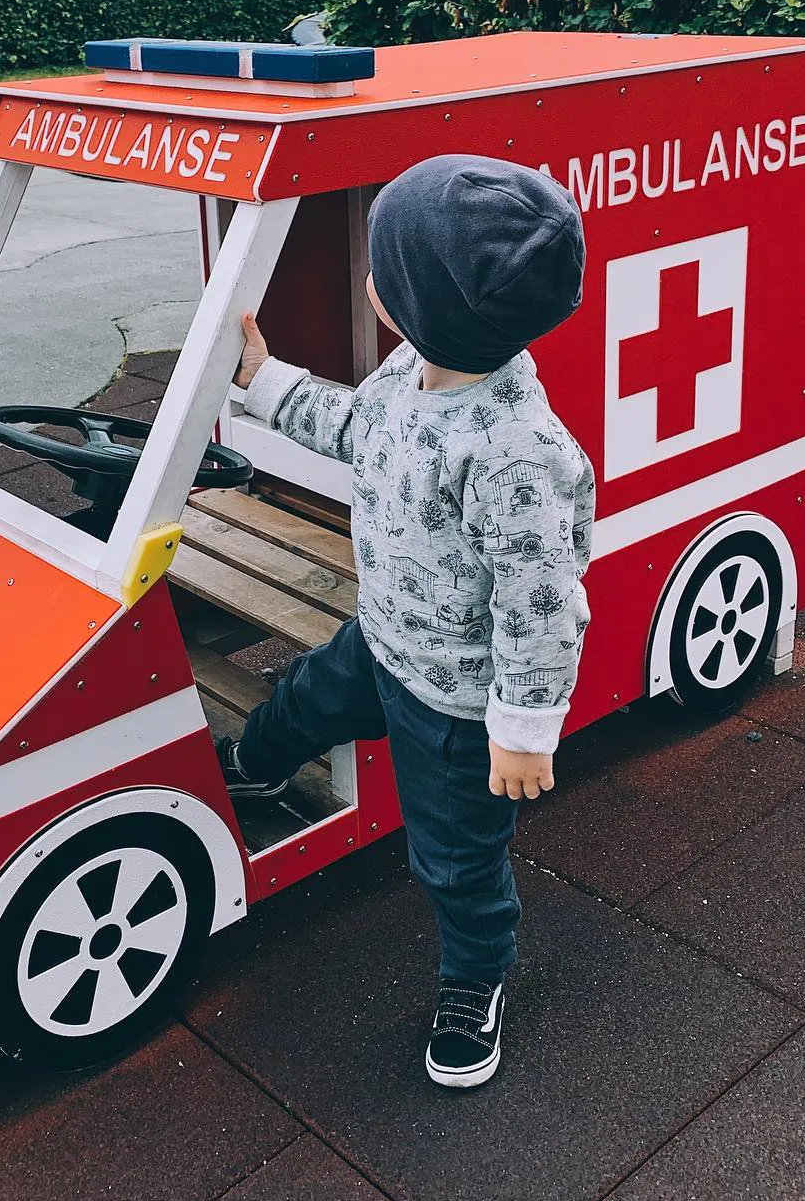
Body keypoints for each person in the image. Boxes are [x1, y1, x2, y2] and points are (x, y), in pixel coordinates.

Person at [217, 153, 594, 1089]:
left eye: (382, 265)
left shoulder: (517, 453)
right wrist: (265, 380)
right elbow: (357, 429)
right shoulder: (413, 370)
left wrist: (522, 729)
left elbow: (543, 604)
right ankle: (256, 767)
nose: (370, 274)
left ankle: (475, 978)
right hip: (384, 633)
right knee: (303, 697)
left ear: (415, 304)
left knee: (454, 856)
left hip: (457, 702)